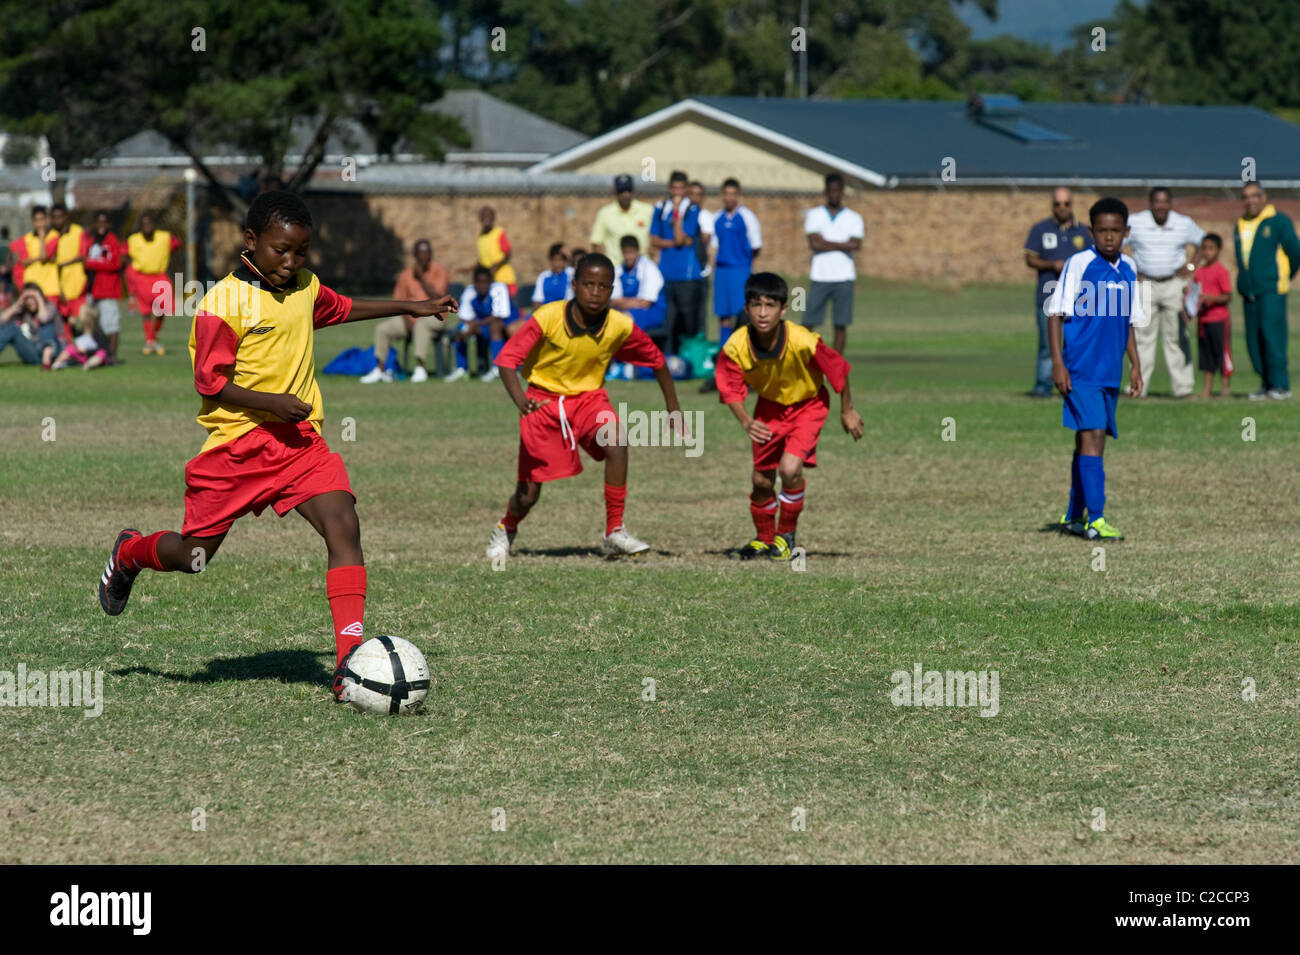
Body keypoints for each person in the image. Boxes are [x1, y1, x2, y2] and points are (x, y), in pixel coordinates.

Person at [94, 190, 456, 703]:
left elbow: (344, 306)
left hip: (299, 445)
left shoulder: (304, 287)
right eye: (280, 250)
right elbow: (210, 384)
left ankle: (347, 663)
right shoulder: (222, 303)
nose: (291, 262)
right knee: (192, 555)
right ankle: (130, 551)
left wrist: (413, 306)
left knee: (343, 524)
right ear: (251, 242)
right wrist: (270, 403)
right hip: (236, 450)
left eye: (301, 252)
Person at [484, 253, 685, 559]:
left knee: (617, 440)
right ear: (574, 284)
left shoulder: (619, 324)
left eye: (604, 286)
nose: (595, 292)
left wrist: (673, 408)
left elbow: (657, 361)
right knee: (528, 495)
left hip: (590, 400)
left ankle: (615, 531)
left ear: (612, 290)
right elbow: (507, 361)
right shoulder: (547, 317)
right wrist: (522, 401)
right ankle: (505, 527)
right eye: (588, 284)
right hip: (544, 403)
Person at [715, 272, 862, 561]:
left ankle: (785, 536)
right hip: (769, 408)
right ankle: (763, 538)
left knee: (790, 469)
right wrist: (746, 420)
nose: (762, 312)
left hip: (808, 405)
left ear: (783, 310)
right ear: (747, 308)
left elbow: (838, 370)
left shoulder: (803, 340)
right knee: (760, 481)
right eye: (756, 305)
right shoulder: (735, 346)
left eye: (770, 305)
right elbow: (729, 389)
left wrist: (847, 410)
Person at [1045, 197, 1147, 542]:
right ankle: (1097, 519)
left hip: (1109, 373)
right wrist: (1058, 364)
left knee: (1085, 440)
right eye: (1101, 231)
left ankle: (1075, 516)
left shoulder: (1130, 269)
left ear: (1126, 232)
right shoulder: (1079, 264)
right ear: (1090, 231)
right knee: (1094, 439)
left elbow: (1129, 321)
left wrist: (1134, 364)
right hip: (1081, 369)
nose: (1108, 237)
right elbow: (1055, 313)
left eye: (1115, 231)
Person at [1124, 187, 1205, 398]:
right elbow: (1117, 243)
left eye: (1164, 202)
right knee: (1142, 337)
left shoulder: (1183, 223)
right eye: (1156, 202)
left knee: (1177, 337)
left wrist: (1190, 268)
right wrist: (1130, 268)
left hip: (1173, 284)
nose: (1160, 206)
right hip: (1145, 285)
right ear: (1150, 203)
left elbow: (1204, 243)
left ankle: (1183, 388)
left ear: (1171, 203)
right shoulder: (1137, 222)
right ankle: (1138, 387)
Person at [1234, 182, 1300, 400]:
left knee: (1273, 337)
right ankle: (1266, 383)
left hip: (1272, 289)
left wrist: (1282, 276)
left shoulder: (1279, 221)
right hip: (1249, 291)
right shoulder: (1241, 223)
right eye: (1246, 196)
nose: (1250, 200)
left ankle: (1281, 385)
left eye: (1254, 196)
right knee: (1254, 340)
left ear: (1264, 197)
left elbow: (1295, 251)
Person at [1024, 187, 1092, 397]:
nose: (1062, 208)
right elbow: (1030, 258)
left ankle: (1076, 384)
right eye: (1057, 204)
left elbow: (1093, 260)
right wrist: (1051, 264)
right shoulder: (1040, 229)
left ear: (1072, 204)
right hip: (1048, 296)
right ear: (1052, 205)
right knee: (1047, 344)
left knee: (1077, 343)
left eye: (1066, 204)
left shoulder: (1084, 232)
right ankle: (1043, 386)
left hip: (1079, 298)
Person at [701, 178, 763, 395]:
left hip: (741, 271)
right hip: (723, 273)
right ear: (722, 194)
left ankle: (746, 370)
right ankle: (723, 370)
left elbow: (756, 246)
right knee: (724, 320)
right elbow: (715, 246)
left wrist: (743, 264)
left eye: (732, 193)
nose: (729, 197)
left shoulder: (747, 217)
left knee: (744, 320)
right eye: (725, 193)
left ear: (738, 195)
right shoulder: (716, 218)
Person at [361, 239, 451, 384]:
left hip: (436, 316)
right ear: (415, 255)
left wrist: (421, 278)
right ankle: (379, 369)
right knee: (382, 329)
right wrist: (406, 319)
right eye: (421, 253)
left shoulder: (440, 271)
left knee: (421, 325)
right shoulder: (405, 275)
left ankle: (420, 368)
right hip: (409, 317)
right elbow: (398, 302)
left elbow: (439, 299)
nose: (424, 257)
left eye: (427, 253)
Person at [803, 173, 864, 357]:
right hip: (820, 276)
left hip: (844, 277)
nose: (834, 195)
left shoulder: (854, 218)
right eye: (831, 191)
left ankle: (836, 365)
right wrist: (842, 244)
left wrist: (826, 242)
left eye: (838, 191)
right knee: (808, 321)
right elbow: (814, 244)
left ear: (842, 192)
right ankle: (804, 359)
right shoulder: (814, 215)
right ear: (826, 192)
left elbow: (856, 244)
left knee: (840, 323)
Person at [650, 170, 703, 354]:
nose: (677, 192)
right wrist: (673, 242)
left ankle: (690, 355)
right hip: (666, 271)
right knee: (668, 316)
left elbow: (682, 238)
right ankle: (669, 354)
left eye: (681, 188)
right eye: (674, 188)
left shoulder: (691, 209)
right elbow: (654, 240)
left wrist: (677, 216)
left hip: (686, 274)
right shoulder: (660, 207)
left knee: (687, 317)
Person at [125, 213, 182, 355]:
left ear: (154, 225)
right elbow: (123, 253)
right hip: (142, 277)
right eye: (144, 224)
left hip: (159, 277)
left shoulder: (164, 238)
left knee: (162, 309)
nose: (147, 227)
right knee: (146, 311)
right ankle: (149, 341)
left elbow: (178, 244)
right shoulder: (133, 240)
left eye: (149, 224)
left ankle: (153, 336)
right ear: (140, 227)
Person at [446, 265, 514, 383]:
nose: (482, 286)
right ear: (474, 283)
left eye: (485, 282)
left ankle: (497, 367)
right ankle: (461, 369)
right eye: (479, 282)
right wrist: (469, 328)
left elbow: (499, 316)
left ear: (491, 281)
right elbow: (464, 316)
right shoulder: (470, 291)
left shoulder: (499, 288)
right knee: (460, 329)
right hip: (481, 326)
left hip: (504, 325)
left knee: (495, 326)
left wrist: (475, 325)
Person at [1190, 234, 1233, 399]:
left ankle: (1225, 388)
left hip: (1219, 319)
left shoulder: (1221, 271)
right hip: (1203, 320)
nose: (1207, 252)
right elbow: (1195, 293)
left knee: (1221, 353)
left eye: (1211, 249)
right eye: (1204, 249)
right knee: (1205, 356)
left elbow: (1227, 296)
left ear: (1219, 250)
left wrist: (1210, 298)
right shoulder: (1199, 272)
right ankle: (1206, 390)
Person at [82, 212, 126, 362]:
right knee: (94, 325)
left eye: (104, 222)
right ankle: (99, 353)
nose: (101, 226)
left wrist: (90, 263)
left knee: (110, 324)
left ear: (109, 225)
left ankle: (112, 356)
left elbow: (115, 263)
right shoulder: (92, 241)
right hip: (93, 289)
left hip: (107, 289)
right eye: (98, 222)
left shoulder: (112, 241)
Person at [610, 235, 667, 345]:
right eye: (625, 252)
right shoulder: (618, 270)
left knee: (623, 320)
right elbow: (613, 301)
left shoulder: (649, 268)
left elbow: (646, 303)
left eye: (631, 252)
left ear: (637, 251)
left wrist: (622, 302)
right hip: (627, 311)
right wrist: (629, 302)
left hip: (652, 312)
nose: (628, 256)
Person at [589, 174, 653, 257]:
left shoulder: (648, 210)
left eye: (628, 190)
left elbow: (656, 238)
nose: (625, 195)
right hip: (615, 265)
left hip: (642, 266)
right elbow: (596, 242)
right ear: (615, 191)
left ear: (633, 190)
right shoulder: (605, 213)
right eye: (621, 191)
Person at [0, 284, 62, 368]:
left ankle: (46, 355)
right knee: (11, 329)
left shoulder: (50, 306)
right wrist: (18, 303)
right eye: (27, 298)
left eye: (33, 297)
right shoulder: (24, 311)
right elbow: (1, 321)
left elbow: (43, 318)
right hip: (34, 352)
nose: (30, 301)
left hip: (55, 350)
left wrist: (38, 298)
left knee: (47, 326)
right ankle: (45, 361)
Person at [50, 203, 88, 321]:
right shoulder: (51, 235)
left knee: (81, 322)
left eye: (60, 216)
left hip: (79, 284)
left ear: (66, 216)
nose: (57, 220)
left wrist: (63, 264)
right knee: (63, 322)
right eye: (54, 217)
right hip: (60, 287)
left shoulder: (78, 231)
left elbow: (83, 255)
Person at [467, 206, 516, 296]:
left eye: (489, 216)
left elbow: (507, 254)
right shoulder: (480, 237)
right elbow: (483, 260)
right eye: (483, 216)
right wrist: (468, 269)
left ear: (493, 218)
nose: (486, 218)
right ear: (480, 218)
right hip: (488, 281)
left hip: (504, 279)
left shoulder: (499, 232)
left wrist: (495, 267)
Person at [13, 206, 60, 301]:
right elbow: (23, 261)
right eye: (37, 220)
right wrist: (40, 258)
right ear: (32, 221)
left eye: (42, 219)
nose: (40, 224)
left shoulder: (54, 236)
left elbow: (43, 258)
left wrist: (42, 238)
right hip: (32, 284)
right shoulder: (27, 238)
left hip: (49, 286)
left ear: (47, 219)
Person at [51, 301, 111, 370]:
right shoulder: (81, 329)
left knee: (102, 353)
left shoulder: (97, 331)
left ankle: (90, 365)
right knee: (70, 348)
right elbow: (77, 340)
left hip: (96, 357)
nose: (79, 315)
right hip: (84, 357)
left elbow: (103, 348)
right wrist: (72, 326)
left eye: (81, 313)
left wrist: (87, 351)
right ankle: (57, 362)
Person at [531, 243, 574, 308]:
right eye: (555, 260)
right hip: (546, 312)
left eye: (561, 260)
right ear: (550, 261)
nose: (558, 264)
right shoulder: (544, 276)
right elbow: (537, 300)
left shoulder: (570, 273)